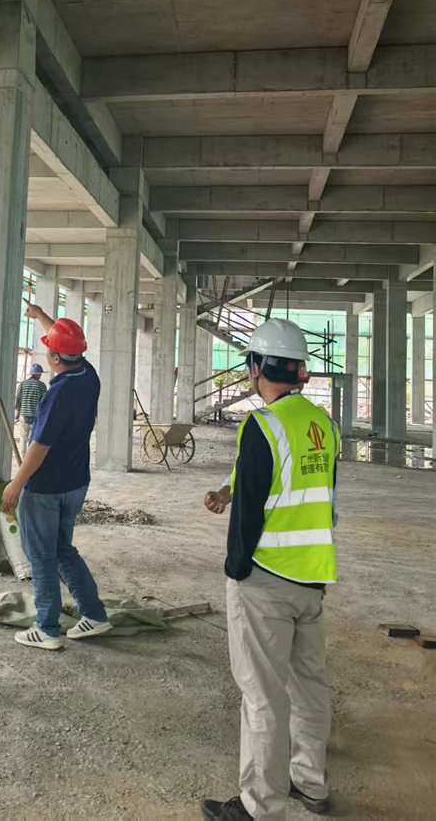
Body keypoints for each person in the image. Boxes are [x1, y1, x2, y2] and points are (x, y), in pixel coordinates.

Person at [200, 318, 339, 821]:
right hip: (312, 577)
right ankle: (312, 784)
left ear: (257, 367)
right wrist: (227, 488)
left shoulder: (261, 425)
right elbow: (314, 493)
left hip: (266, 576)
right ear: (298, 371)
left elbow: (250, 512)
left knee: (263, 696)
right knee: (308, 687)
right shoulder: (323, 424)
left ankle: (259, 807)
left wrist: (236, 569)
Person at [2, 302, 110, 651]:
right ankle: (94, 614)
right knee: (63, 549)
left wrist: (17, 483)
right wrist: (40, 317)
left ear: (54, 359)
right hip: (76, 483)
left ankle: (47, 628)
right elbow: (66, 343)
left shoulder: (56, 395)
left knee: (41, 556)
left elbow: (39, 447)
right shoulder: (89, 376)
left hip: (45, 488)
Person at [14, 363, 47, 457]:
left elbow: (17, 399)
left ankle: (23, 458)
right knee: (34, 440)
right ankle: (31, 458)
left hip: (24, 415)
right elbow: (44, 402)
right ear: (38, 374)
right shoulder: (42, 386)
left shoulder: (23, 384)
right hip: (36, 417)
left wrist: (18, 411)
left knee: (23, 438)